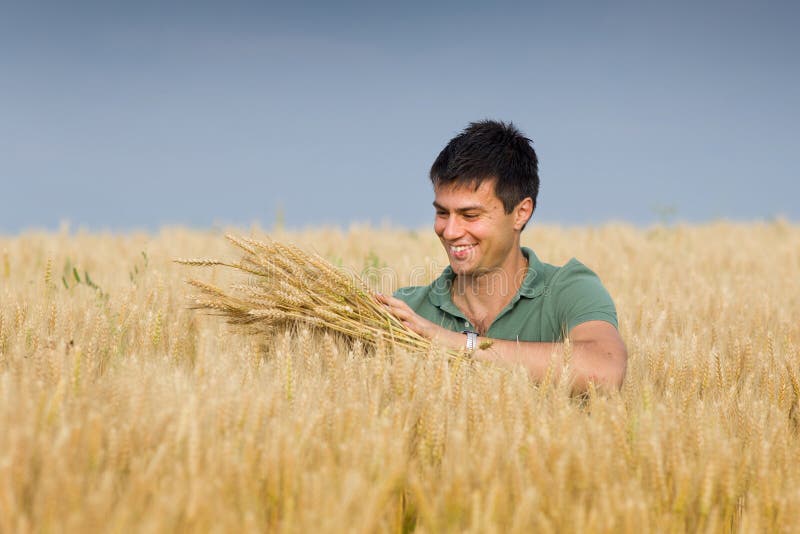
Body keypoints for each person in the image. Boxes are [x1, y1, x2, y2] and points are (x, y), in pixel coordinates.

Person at [375, 120, 627, 391]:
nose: (449, 231)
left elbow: (604, 369)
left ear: (521, 213)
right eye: (442, 213)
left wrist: (451, 341)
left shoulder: (569, 289)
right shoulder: (406, 311)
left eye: (470, 215)